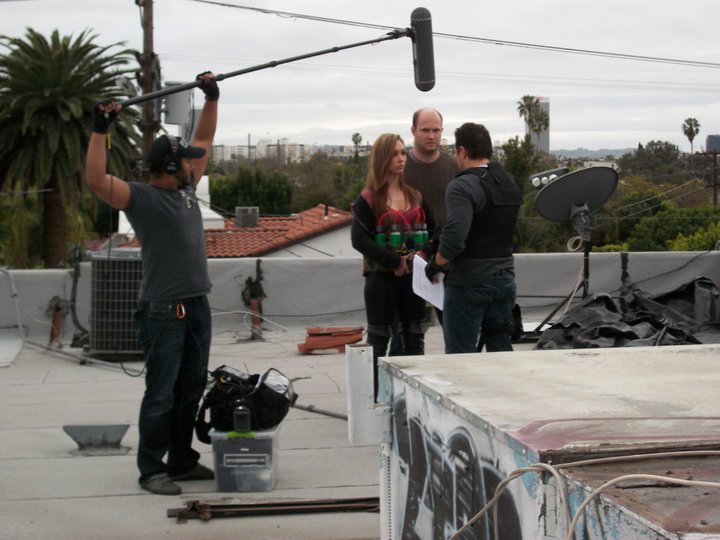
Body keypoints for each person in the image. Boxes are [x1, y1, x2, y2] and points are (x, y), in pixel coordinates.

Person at [84, 72, 219, 495]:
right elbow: (95, 180)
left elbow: (207, 141)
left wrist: (211, 98)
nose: (196, 164)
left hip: (197, 304)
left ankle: (181, 461)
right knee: (161, 392)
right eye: (187, 161)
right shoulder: (140, 197)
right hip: (164, 310)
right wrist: (100, 129)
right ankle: (151, 469)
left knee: (191, 388)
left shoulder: (187, 189)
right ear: (171, 166)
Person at [351, 133, 436, 397]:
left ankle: (412, 401)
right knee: (378, 342)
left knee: (415, 340)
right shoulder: (369, 199)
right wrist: (393, 260)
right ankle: (372, 402)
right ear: (382, 158)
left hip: (413, 281)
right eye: (395, 154)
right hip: (381, 281)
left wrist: (421, 254)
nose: (401, 159)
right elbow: (359, 239)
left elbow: (435, 232)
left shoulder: (416, 196)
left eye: (403, 153)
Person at [425, 122, 522, 354]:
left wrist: (436, 263)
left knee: (461, 355)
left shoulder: (462, 186)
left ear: (462, 151)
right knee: (500, 346)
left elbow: (456, 235)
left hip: (469, 282)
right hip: (504, 279)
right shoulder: (507, 182)